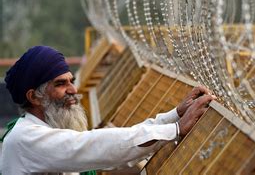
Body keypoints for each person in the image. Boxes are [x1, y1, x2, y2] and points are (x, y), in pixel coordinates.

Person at [0, 46, 215, 174]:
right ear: (33, 96)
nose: (73, 90)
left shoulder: (43, 132)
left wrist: (175, 115)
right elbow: (98, 146)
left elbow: (111, 145)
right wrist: (176, 129)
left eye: (71, 81)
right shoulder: (25, 139)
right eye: (60, 84)